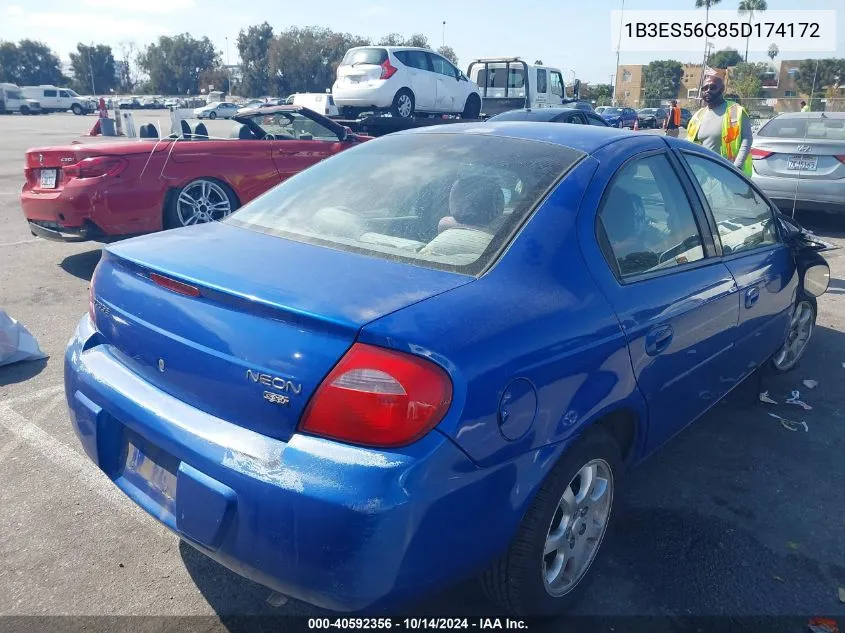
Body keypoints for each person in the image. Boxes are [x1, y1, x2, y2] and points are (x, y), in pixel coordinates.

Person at [686, 75, 753, 176]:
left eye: (712, 88)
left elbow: (747, 138)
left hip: (729, 174)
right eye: (704, 88)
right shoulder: (699, 115)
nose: (708, 91)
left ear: (722, 90)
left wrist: (736, 167)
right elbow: (689, 141)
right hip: (704, 176)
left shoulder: (735, 110)